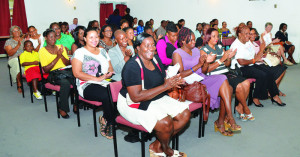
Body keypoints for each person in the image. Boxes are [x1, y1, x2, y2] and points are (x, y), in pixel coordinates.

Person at [117, 33, 190, 156]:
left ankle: (157, 146)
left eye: (153, 45)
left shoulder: (155, 59)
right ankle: (167, 150)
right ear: (138, 48)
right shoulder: (132, 66)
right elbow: (136, 97)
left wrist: (173, 81)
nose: (152, 48)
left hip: (155, 96)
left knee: (185, 114)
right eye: (147, 45)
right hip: (131, 102)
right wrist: (165, 86)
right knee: (165, 123)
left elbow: (162, 80)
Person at [172, 27, 241, 136]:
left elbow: (204, 70)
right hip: (189, 84)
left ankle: (227, 119)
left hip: (202, 78)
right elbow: (180, 74)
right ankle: (224, 121)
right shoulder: (177, 53)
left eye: (194, 39)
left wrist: (206, 63)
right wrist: (199, 64)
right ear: (183, 41)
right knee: (227, 89)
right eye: (191, 40)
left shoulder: (196, 50)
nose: (195, 42)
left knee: (223, 79)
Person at [201, 28, 254, 121]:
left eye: (217, 36)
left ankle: (241, 107)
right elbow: (206, 70)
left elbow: (227, 64)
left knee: (246, 83)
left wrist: (229, 57)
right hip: (215, 76)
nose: (216, 38)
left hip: (226, 72)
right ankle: (245, 108)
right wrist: (221, 59)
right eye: (213, 36)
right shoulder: (204, 50)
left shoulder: (219, 48)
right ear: (208, 37)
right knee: (239, 87)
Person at [72, 27, 114, 139]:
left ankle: (105, 118)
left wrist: (109, 72)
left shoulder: (103, 51)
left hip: (104, 81)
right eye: (91, 37)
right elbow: (77, 73)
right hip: (86, 84)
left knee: (121, 91)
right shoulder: (79, 52)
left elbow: (110, 67)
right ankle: (110, 122)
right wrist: (97, 79)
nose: (94, 39)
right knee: (107, 94)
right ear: (85, 38)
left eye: (96, 37)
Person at [230, 26, 286, 107]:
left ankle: (275, 96)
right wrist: (255, 59)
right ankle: (256, 97)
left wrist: (261, 51)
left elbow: (255, 56)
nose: (248, 36)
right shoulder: (236, 44)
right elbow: (241, 62)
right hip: (240, 68)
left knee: (269, 72)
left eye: (249, 33)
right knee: (262, 75)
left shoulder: (247, 42)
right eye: (246, 34)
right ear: (239, 34)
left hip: (251, 64)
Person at [39, 29, 73, 118]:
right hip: (53, 74)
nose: (53, 39)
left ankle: (77, 103)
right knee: (65, 83)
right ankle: (62, 108)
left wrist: (61, 55)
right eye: (51, 37)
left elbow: (67, 63)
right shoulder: (42, 51)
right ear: (45, 38)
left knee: (78, 78)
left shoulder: (60, 47)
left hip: (65, 71)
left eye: (55, 37)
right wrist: (57, 57)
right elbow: (46, 69)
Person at [249, 28, 287, 97]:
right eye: (251, 34)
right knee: (279, 69)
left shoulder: (254, 43)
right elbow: (254, 58)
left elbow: (261, 53)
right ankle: (273, 90)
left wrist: (270, 53)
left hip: (262, 62)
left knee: (283, 68)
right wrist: (262, 50)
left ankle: (274, 89)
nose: (253, 35)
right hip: (257, 65)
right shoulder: (248, 45)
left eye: (254, 33)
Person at [4, 26, 25, 93]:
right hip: (13, 58)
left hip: (24, 57)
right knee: (17, 63)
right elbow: (10, 53)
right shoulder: (9, 41)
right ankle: (19, 83)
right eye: (14, 31)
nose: (16, 32)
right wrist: (18, 45)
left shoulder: (24, 40)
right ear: (11, 33)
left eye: (18, 30)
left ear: (20, 31)